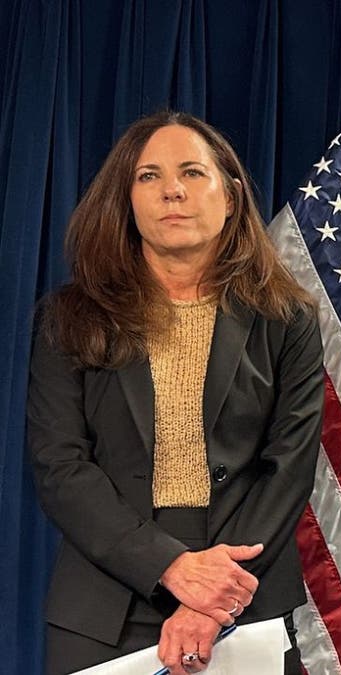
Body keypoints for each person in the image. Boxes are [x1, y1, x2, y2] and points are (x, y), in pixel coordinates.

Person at [27, 111, 323, 674]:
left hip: (242, 592)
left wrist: (214, 600)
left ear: (231, 196)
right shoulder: (70, 318)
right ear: (127, 200)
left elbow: (287, 468)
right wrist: (171, 567)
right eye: (148, 177)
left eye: (192, 172)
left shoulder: (286, 319)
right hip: (103, 596)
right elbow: (59, 466)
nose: (172, 191)